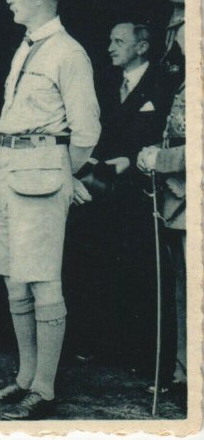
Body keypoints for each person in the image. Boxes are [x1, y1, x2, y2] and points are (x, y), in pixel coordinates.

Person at [0, 0, 100, 420]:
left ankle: (44, 388)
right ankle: (24, 377)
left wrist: (62, 172)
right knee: (14, 278)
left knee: (44, 280)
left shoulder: (68, 53)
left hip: (40, 173)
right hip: (9, 169)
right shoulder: (28, 45)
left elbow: (86, 129)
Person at [64, 22, 171, 367]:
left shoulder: (163, 84)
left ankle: (135, 350)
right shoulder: (106, 84)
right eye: (110, 40)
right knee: (93, 261)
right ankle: (93, 341)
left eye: (119, 41)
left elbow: (165, 138)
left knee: (135, 270)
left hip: (139, 194)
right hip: (100, 187)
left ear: (142, 47)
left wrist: (132, 158)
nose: (110, 47)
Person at [137, 0, 186, 395]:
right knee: (185, 291)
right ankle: (185, 373)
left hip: (189, 194)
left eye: (181, 25)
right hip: (180, 199)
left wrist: (161, 158)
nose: (175, 35)